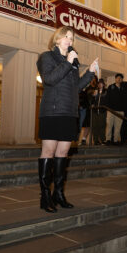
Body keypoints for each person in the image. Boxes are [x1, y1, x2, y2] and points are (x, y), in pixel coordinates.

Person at [36, 26, 98, 213]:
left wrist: (90, 72)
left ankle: (59, 194)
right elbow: (49, 79)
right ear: (57, 39)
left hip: (69, 112)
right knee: (49, 151)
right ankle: (45, 195)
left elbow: (76, 87)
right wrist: (67, 63)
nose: (70, 41)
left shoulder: (73, 62)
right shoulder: (46, 57)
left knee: (63, 154)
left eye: (72, 38)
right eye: (66, 37)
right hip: (52, 112)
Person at [105, 73, 125, 145]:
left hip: (120, 111)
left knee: (118, 127)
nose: (119, 79)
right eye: (118, 78)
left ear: (122, 80)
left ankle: (116, 140)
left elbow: (125, 100)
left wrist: (124, 110)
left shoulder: (123, 88)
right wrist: (108, 108)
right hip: (111, 110)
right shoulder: (111, 87)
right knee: (109, 125)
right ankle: (108, 140)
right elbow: (107, 98)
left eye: (121, 78)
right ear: (115, 79)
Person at [91, 78, 107, 145]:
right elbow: (91, 102)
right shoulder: (95, 91)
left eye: (101, 83)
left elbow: (107, 100)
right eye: (99, 83)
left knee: (102, 125)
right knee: (95, 126)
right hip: (95, 111)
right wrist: (93, 96)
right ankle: (95, 140)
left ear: (103, 84)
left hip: (102, 111)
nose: (100, 85)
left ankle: (102, 140)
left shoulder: (106, 91)